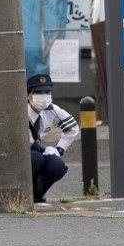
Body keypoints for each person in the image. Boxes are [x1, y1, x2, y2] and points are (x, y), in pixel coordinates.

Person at [27, 72, 79, 205]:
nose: (44, 96)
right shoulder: (21, 112)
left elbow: (72, 127)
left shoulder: (52, 110)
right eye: (38, 92)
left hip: (37, 150)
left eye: (47, 92)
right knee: (36, 159)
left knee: (57, 165)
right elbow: (28, 143)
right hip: (20, 152)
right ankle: (22, 194)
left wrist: (60, 149)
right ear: (28, 95)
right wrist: (45, 150)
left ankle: (37, 195)